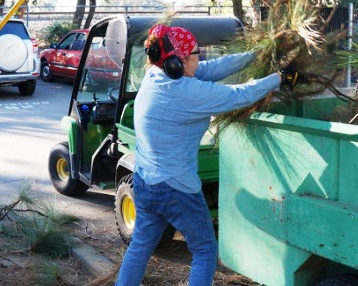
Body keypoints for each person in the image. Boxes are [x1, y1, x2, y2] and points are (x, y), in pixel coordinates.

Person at [116, 24, 298, 285]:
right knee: (205, 251)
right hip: (176, 188)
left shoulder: (157, 75)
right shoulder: (184, 92)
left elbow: (211, 69)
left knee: (141, 246)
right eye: (195, 54)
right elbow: (240, 94)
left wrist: (256, 54)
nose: (199, 59)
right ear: (177, 62)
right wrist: (280, 78)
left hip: (146, 182)